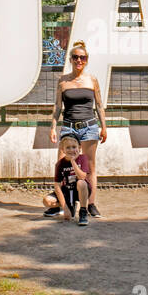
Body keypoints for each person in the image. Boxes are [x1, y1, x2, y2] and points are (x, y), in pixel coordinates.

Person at [50, 40, 105, 217]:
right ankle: (65, 205)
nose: (79, 60)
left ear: (86, 60)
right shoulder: (63, 81)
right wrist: (52, 127)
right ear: (71, 60)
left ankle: (90, 204)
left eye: (82, 57)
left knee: (89, 167)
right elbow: (57, 107)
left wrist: (104, 127)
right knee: (63, 165)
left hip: (89, 126)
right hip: (68, 127)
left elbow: (99, 105)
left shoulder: (92, 80)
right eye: (75, 57)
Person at [43, 135, 91, 226]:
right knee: (47, 201)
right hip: (67, 191)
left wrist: (73, 162)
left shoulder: (83, 158)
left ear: (79, 148)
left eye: (74, 147)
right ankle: (65, 206)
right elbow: (57, 186)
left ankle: (83, 211)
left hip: (80, 190)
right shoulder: (60, 164)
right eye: (68, 147)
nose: (71, 150)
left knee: (81, 183)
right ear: (63, 150)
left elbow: (82, 177)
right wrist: (65, 208)